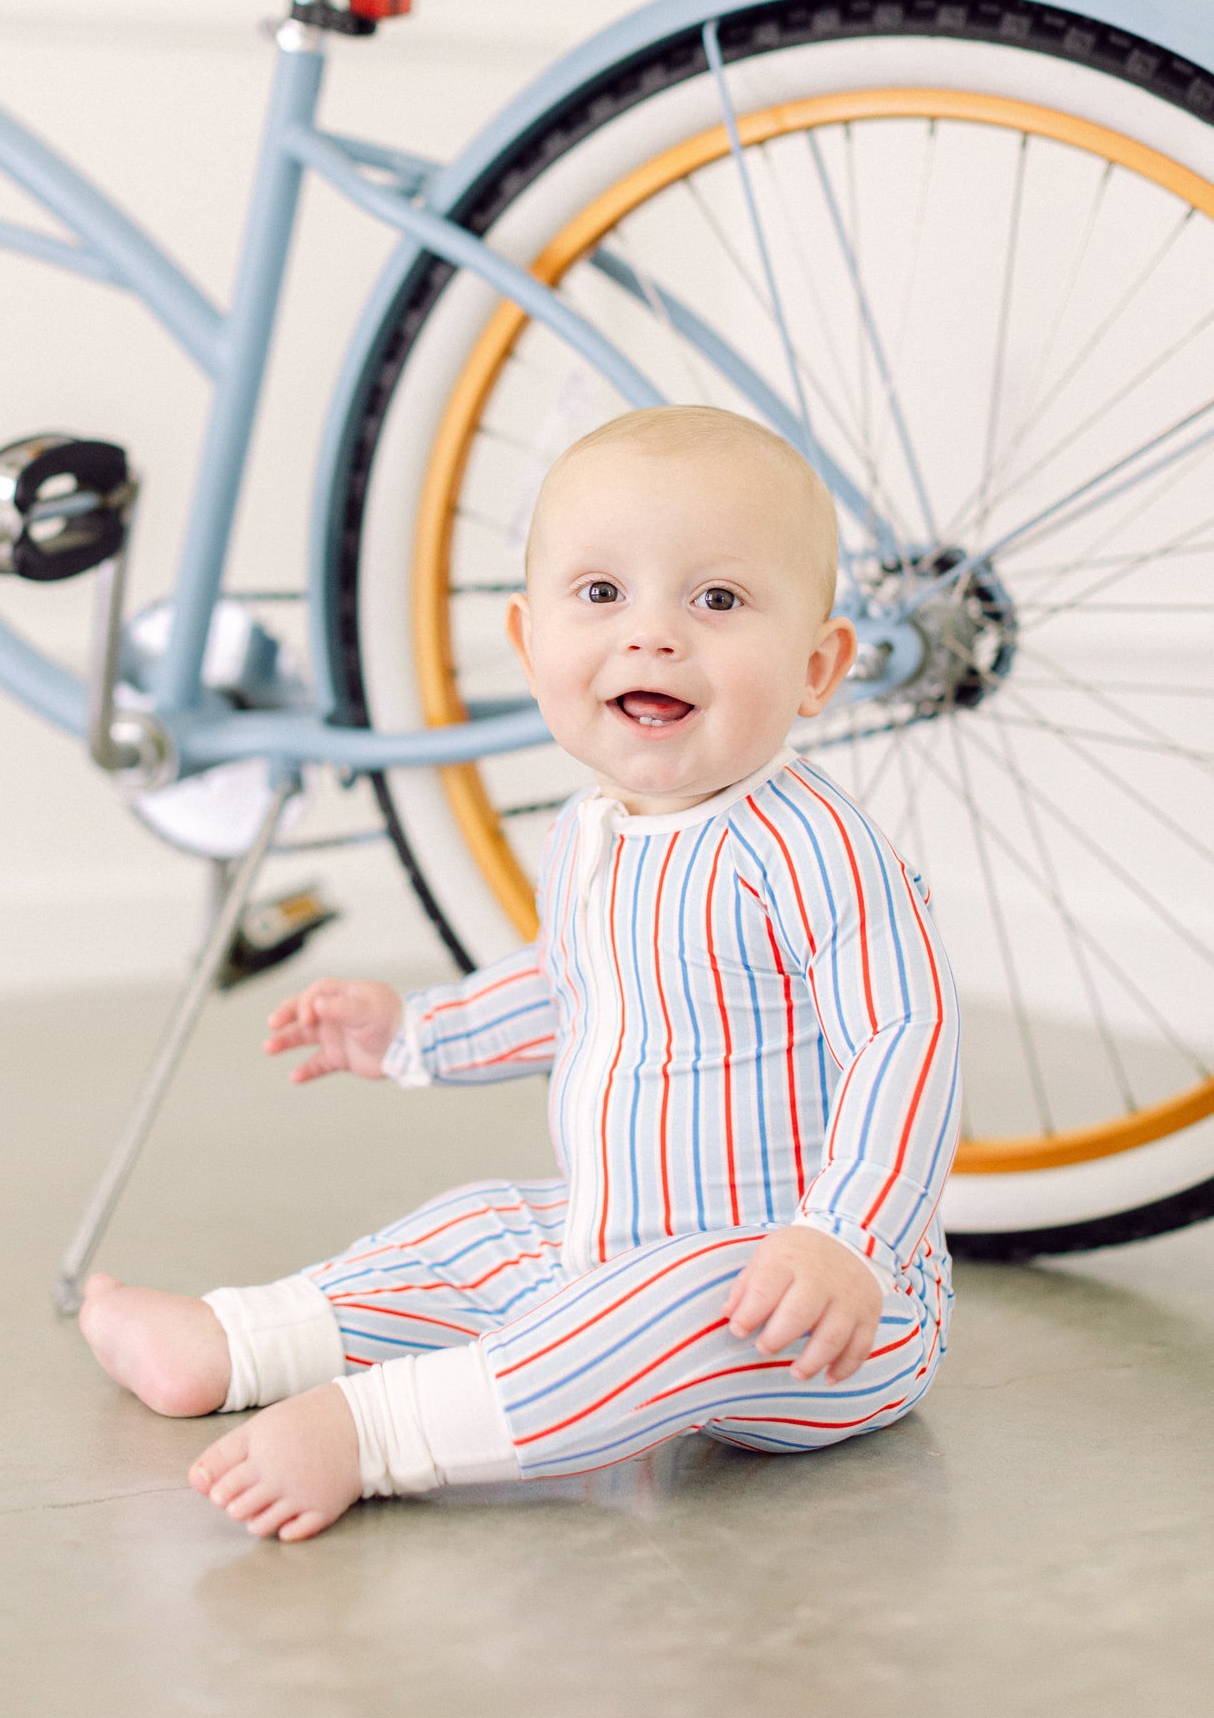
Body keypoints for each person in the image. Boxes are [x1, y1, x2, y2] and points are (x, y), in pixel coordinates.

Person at [80, 405, 960, 1542]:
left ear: (817, 665)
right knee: (486, 1230)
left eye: (718, 599)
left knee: (675, 1306)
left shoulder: (806, 846)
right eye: (600, 595)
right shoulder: (591, 831)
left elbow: (906, 1036)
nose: (651, 636)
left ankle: (377, 1431)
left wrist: (845, 1232)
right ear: (527, 638)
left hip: (818, 1300)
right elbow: (570, 983)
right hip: (615, 1235)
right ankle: (247, 1338)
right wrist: (414, 1031)